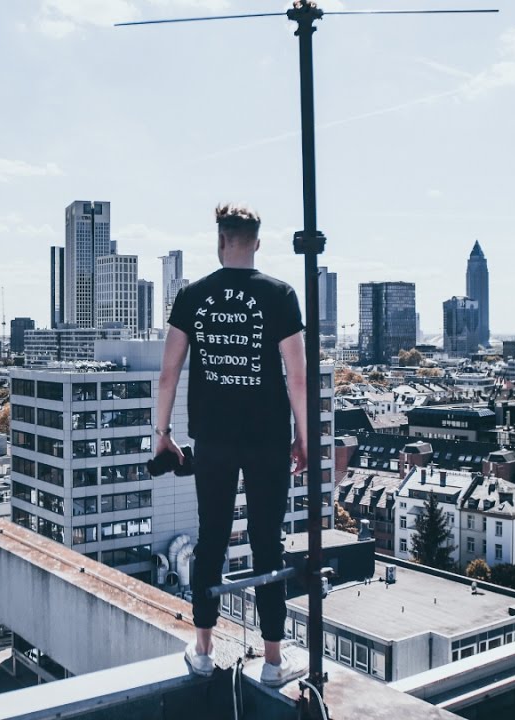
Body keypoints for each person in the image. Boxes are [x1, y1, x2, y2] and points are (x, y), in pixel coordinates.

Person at [154, 203, 308, 687]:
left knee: (212, 538)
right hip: (268, 439)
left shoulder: (192, 295)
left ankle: (203, 651)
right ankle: (274, 660)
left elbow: (168, 374)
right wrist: (305, 437)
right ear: (257, 242)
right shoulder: (280, 294)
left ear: (220, 241)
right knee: (267, 542)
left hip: (213, 439)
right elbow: (297, 378)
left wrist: (162, 435)